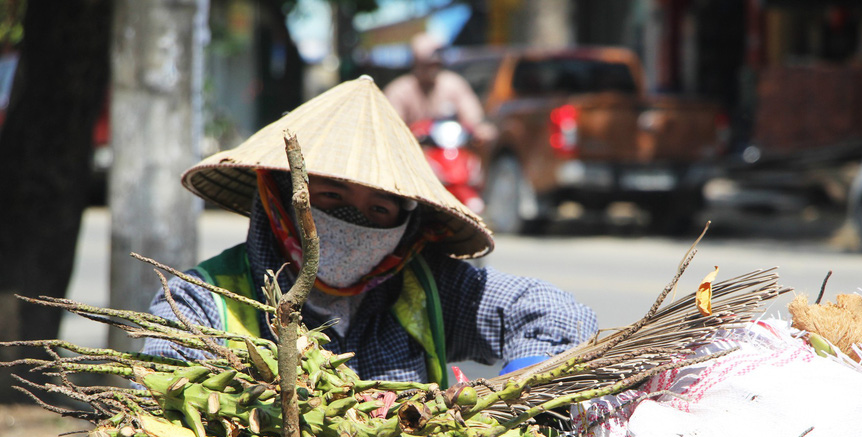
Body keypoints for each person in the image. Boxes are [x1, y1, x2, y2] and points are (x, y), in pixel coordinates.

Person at [146, 75, 596, 387]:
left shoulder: (429, 287)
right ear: (281, 194)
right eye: (330, 198)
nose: (351, 223)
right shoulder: (198, 303)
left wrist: (519, 386)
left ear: (406, 227)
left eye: (378, 208)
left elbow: (560, 317)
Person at [383, 32, 497, 143]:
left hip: (450, 149)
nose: (432, 68)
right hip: (413, 153)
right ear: (416, 64)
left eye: (436, 64)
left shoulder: (453, 84)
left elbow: (472, 115)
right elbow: (391, 126)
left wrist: (480, 128)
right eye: (427, 64)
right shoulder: (399, 91)